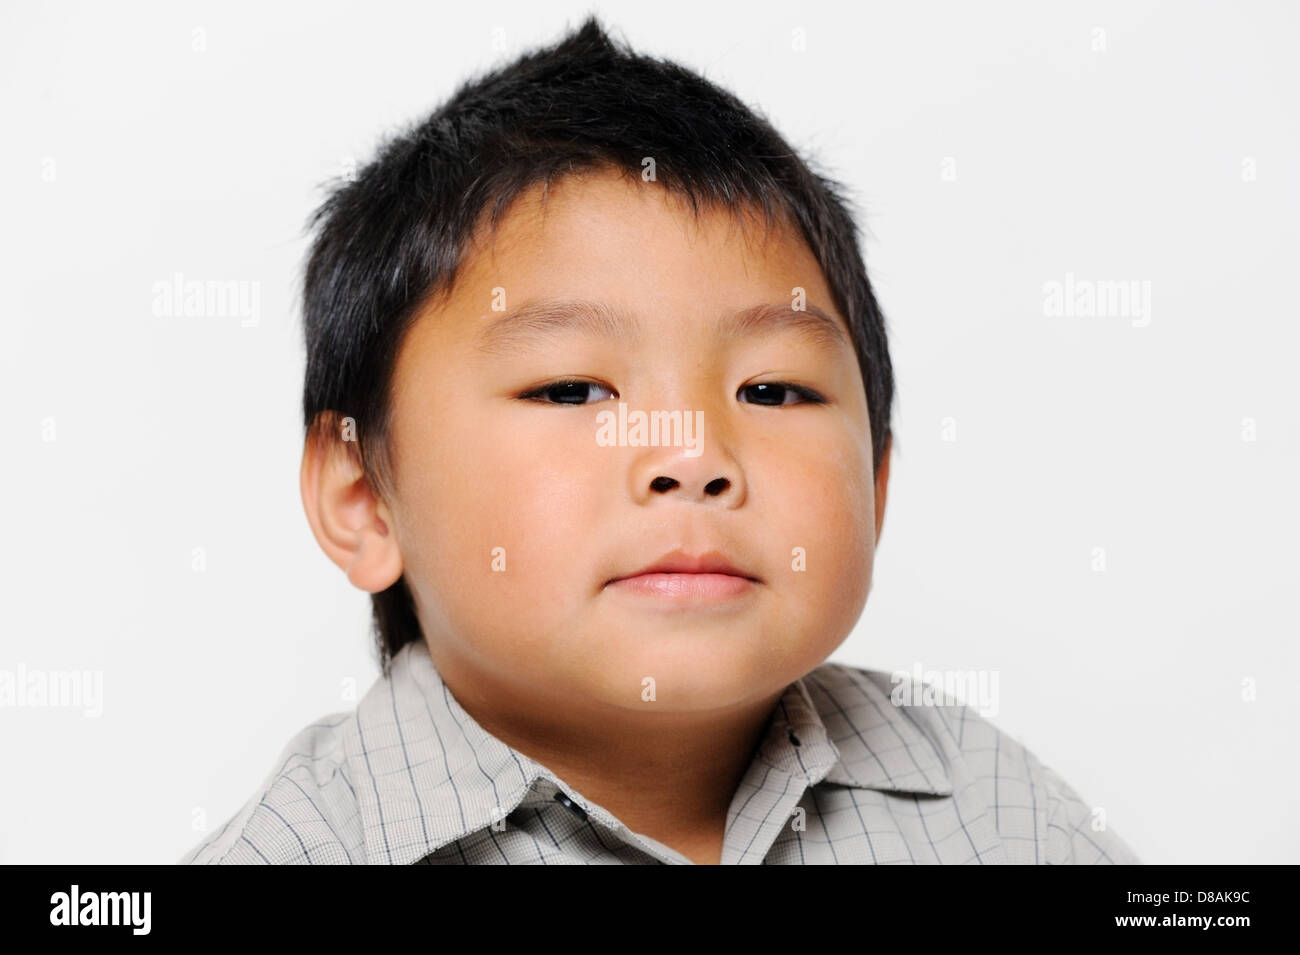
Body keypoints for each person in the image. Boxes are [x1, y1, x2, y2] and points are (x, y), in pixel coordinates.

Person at [180, 15, 1140, 865]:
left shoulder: (986, 804)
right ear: (364, 499)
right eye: (571, 388)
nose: (693, 454)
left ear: (877, 487)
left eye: (773, 388)